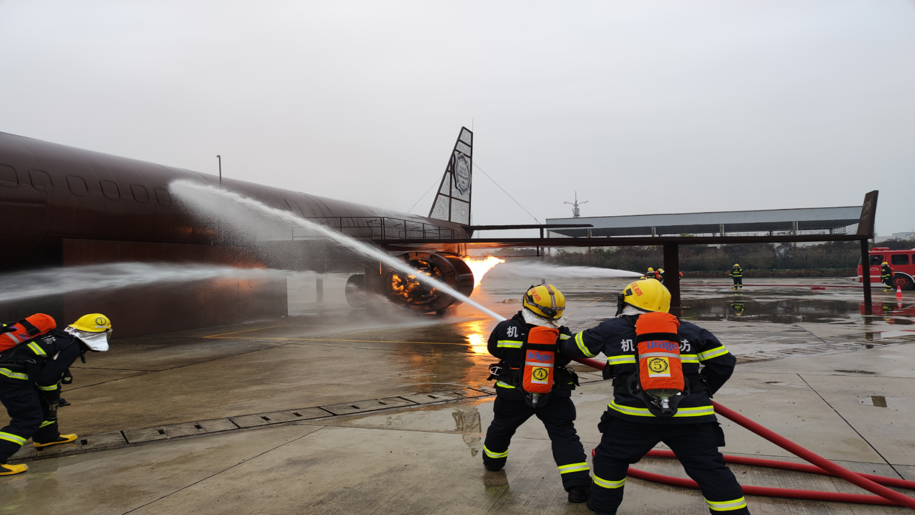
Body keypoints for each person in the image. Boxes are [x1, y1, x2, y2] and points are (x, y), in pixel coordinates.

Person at [561, 279, 749, 515]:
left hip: (633, 418)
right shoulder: (690, 330)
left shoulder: (611, 329)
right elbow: (724, 362)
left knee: (610, 461)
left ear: (627, 302)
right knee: (711, 470)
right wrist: (700, 391)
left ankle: (601, 507)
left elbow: (572, 349)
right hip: (691, 418)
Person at [482, 284, 592, 503]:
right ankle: (578, 486)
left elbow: (493, 349)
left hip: (512, 394)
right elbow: (566, 357)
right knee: (564, 434)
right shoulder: (560, 332)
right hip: (553, 394)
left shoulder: (505, 328)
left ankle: (493, 463)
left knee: (502, 427)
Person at [0, 313, 112, 475]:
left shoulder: (61, 337)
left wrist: (51, 397)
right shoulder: (72, 347)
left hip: (13, 375)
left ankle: (46, 437)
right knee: (28, 418)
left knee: (42, 404)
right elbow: (47, 379)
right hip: (11, 379)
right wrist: (53, 396)